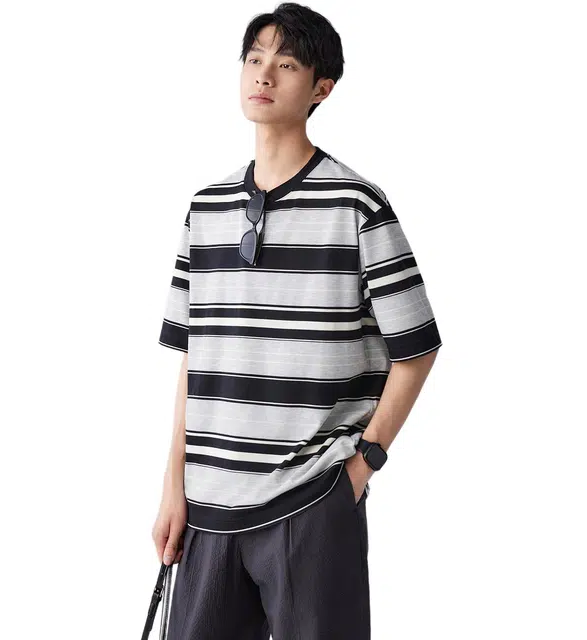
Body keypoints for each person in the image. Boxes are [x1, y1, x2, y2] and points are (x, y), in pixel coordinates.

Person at [152, 3, 442, 638]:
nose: (263, 74)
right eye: (254, 59)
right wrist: (173, 486)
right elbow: (195, 359)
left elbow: (417, 348)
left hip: (310, 501)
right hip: (205, 510)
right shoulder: (206, 208)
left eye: (286, 64)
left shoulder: (357, 205)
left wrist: (364, 464)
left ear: (321, 88)